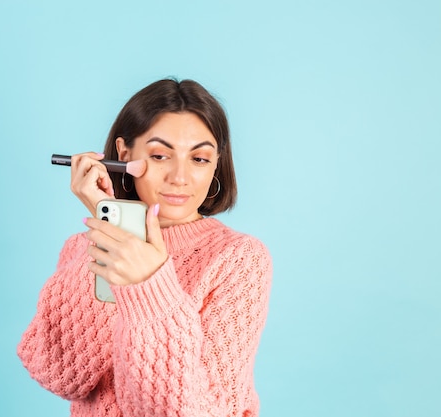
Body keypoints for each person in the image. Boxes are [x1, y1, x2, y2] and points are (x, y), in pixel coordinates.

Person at [17, 78, 273, 417]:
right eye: (159, 155)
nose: (180, 177)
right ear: (124, 155)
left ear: (216, 164)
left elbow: (191, 410)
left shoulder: (239, 259)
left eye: (199, 159)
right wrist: (109, 224)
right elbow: (58, 374)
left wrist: (149, 285)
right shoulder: (82, 247)